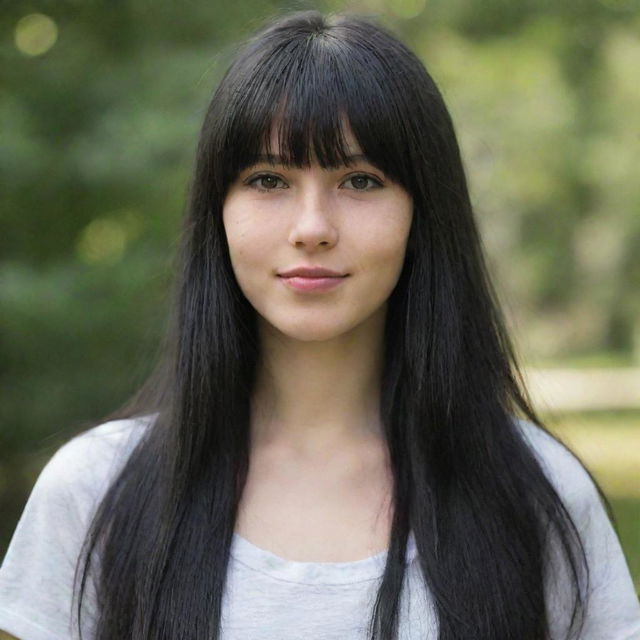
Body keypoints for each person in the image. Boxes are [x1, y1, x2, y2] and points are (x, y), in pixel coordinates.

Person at [0, 9, 638, 640]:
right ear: (216, 211)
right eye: (268, 179)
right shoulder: (93, 494)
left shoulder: (536, 494)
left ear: (424, 214)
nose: (312, 227)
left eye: (360, 179)